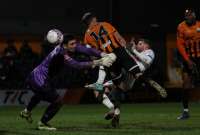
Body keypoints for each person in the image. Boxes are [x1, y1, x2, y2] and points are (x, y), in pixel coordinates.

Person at [19, 33, 114, 130]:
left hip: (34, 75)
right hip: (40, 80)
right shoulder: (61, 52)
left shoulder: (65, 47)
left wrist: (102, 54)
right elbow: (77, 65)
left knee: (39, 95)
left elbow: (87, 50)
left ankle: (26, 111)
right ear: (64, 45)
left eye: (75, 43)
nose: (75, 46)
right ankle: (42, 123)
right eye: (72, 44)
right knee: (58, 101)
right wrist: (99, 62)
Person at [176, 8, 200, 120]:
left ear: (194, 15)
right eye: (186, 16)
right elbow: (180, 45)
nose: (187, 18)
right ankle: (185, 112)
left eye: (189, 15)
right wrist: (187, 60)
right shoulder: (181, 27)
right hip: (189, 58)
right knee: (186, 84)